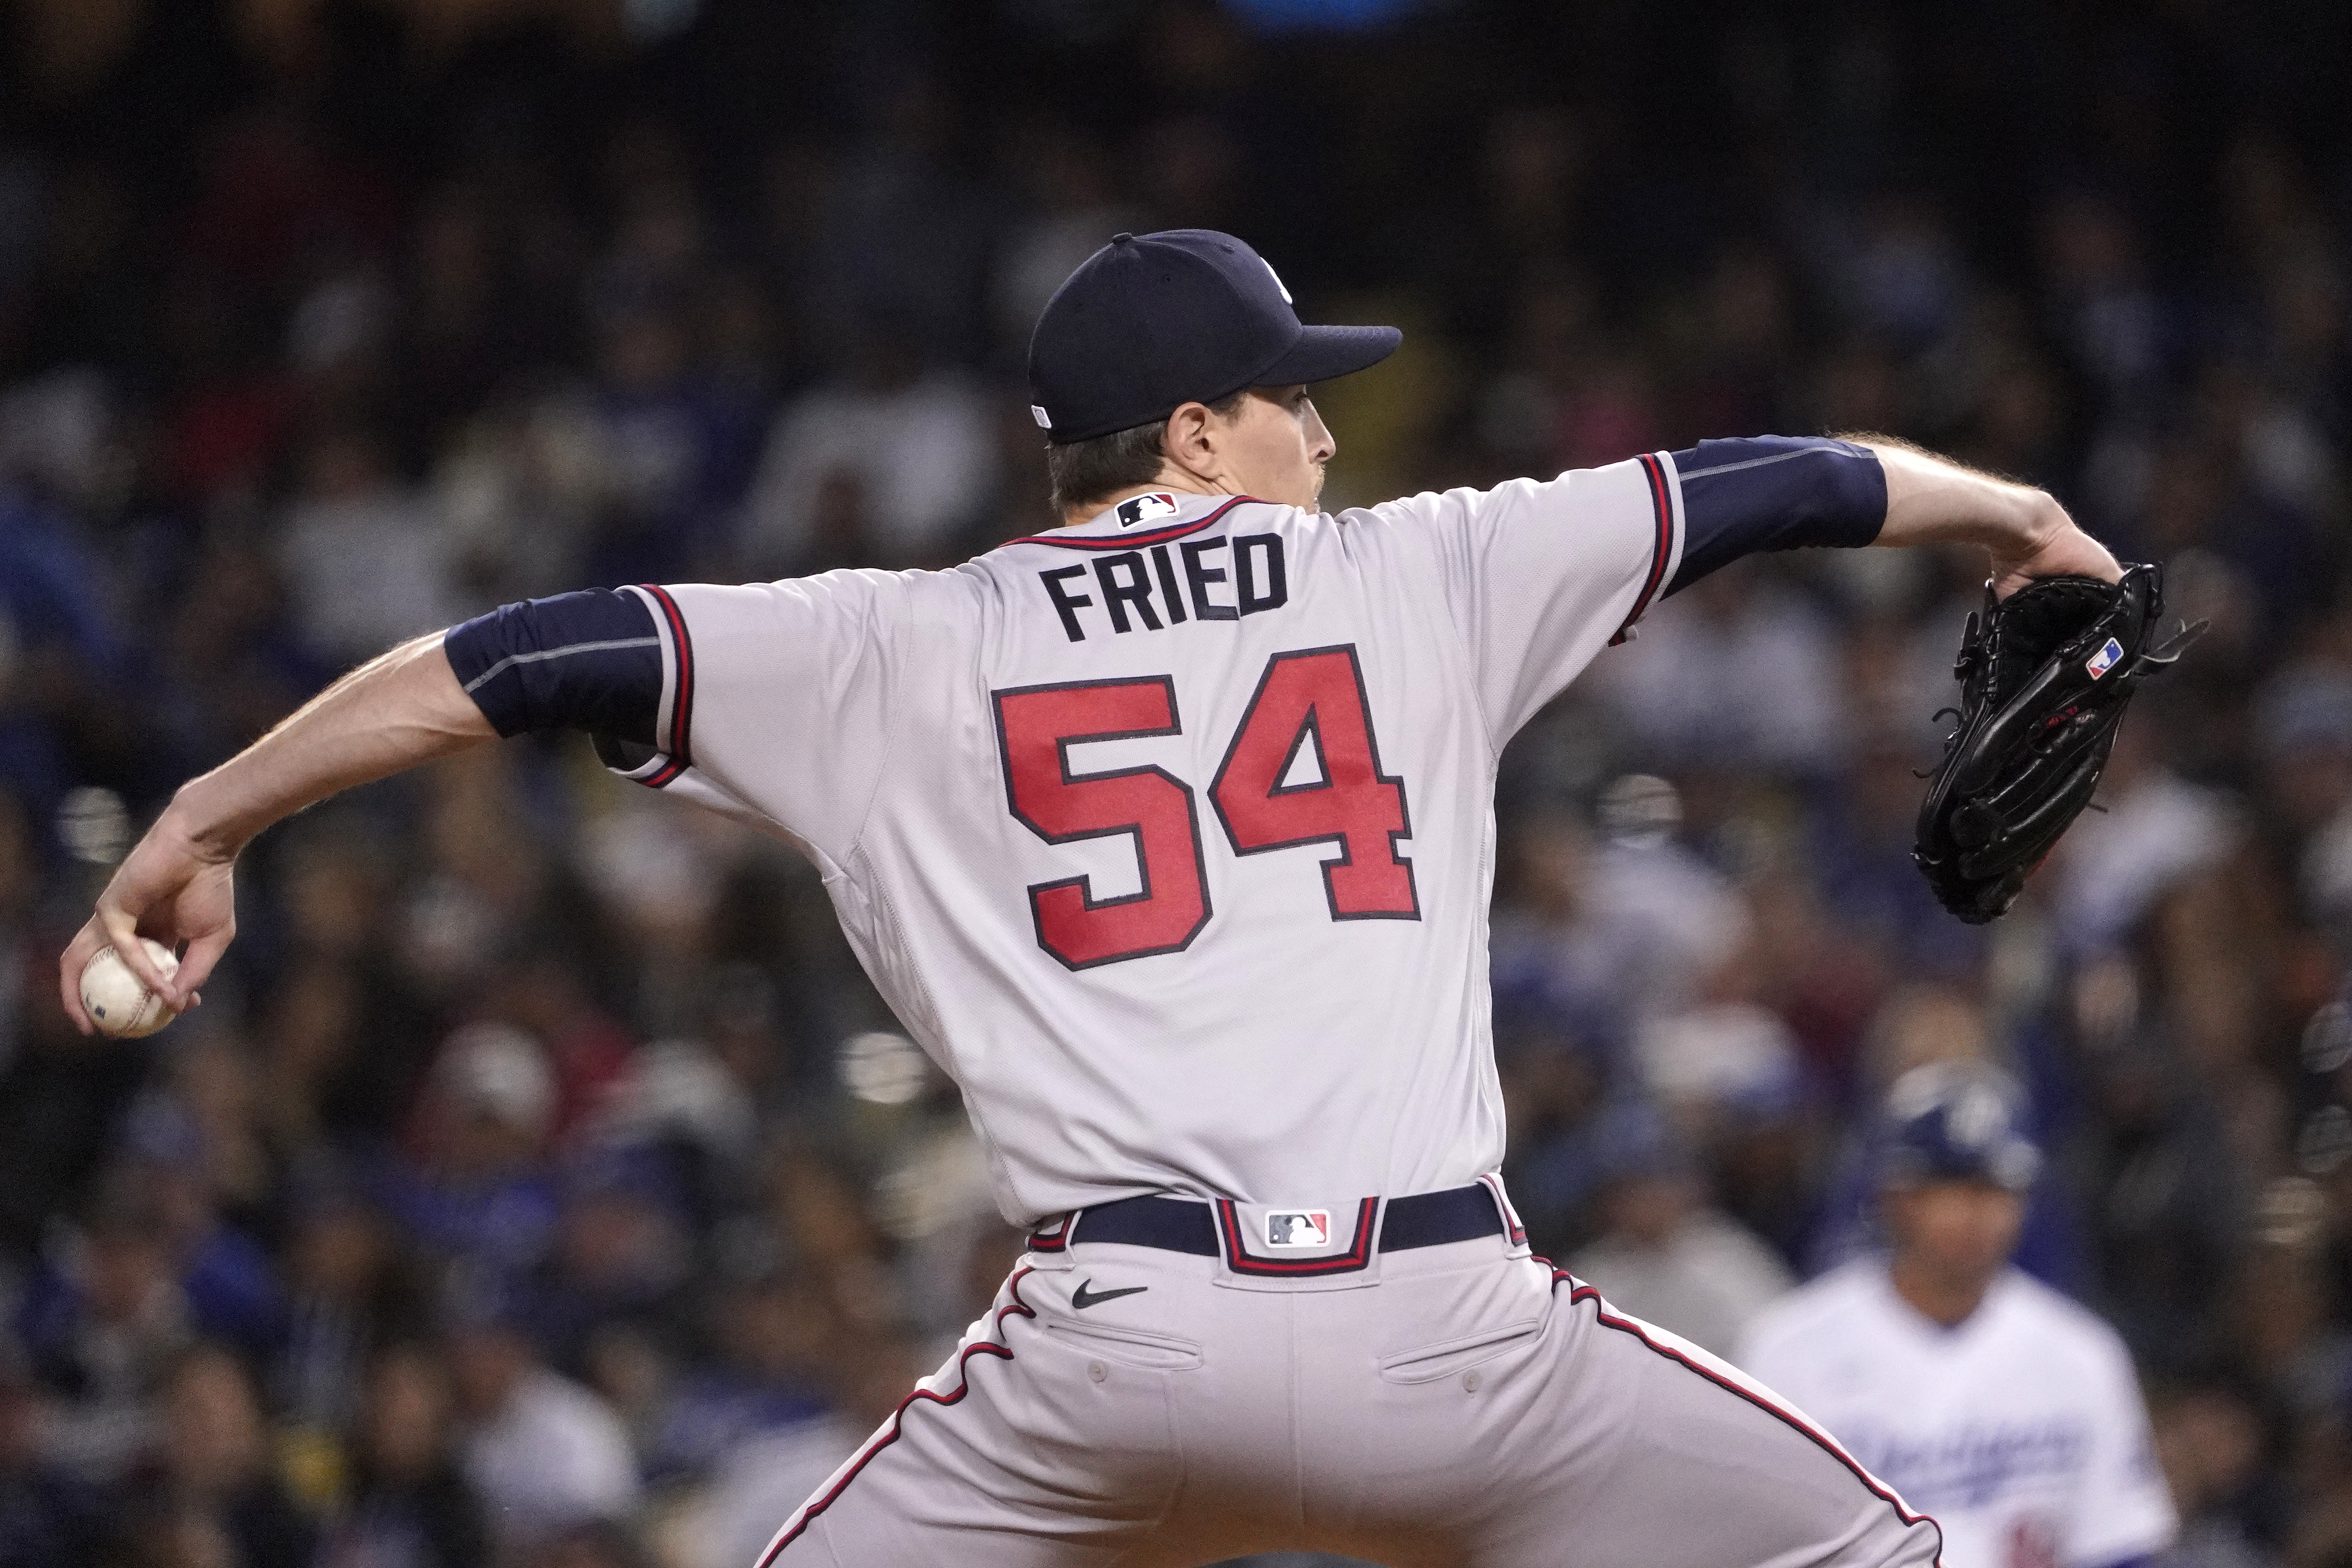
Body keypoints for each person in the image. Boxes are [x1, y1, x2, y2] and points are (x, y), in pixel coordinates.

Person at [64, 227, 2125, 1566]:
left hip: (1110, 1357)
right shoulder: (1432, 566)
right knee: (1863, 1545)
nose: (1328, 429)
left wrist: (207, 818)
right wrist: (2014, 511)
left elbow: (511, 656)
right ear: (1202, 428)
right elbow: (1774, 481)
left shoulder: (883, 641)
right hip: (1451, 1340)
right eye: (1296, 397)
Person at [1738, 1064, 2177, 1568]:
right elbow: (1748, 1542)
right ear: (1895, 1197)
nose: (1978, 1213)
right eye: (1952, 1186)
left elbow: (2118, 1547)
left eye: (1996, 1189)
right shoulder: (1787, 1350)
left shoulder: (2081, 1355)